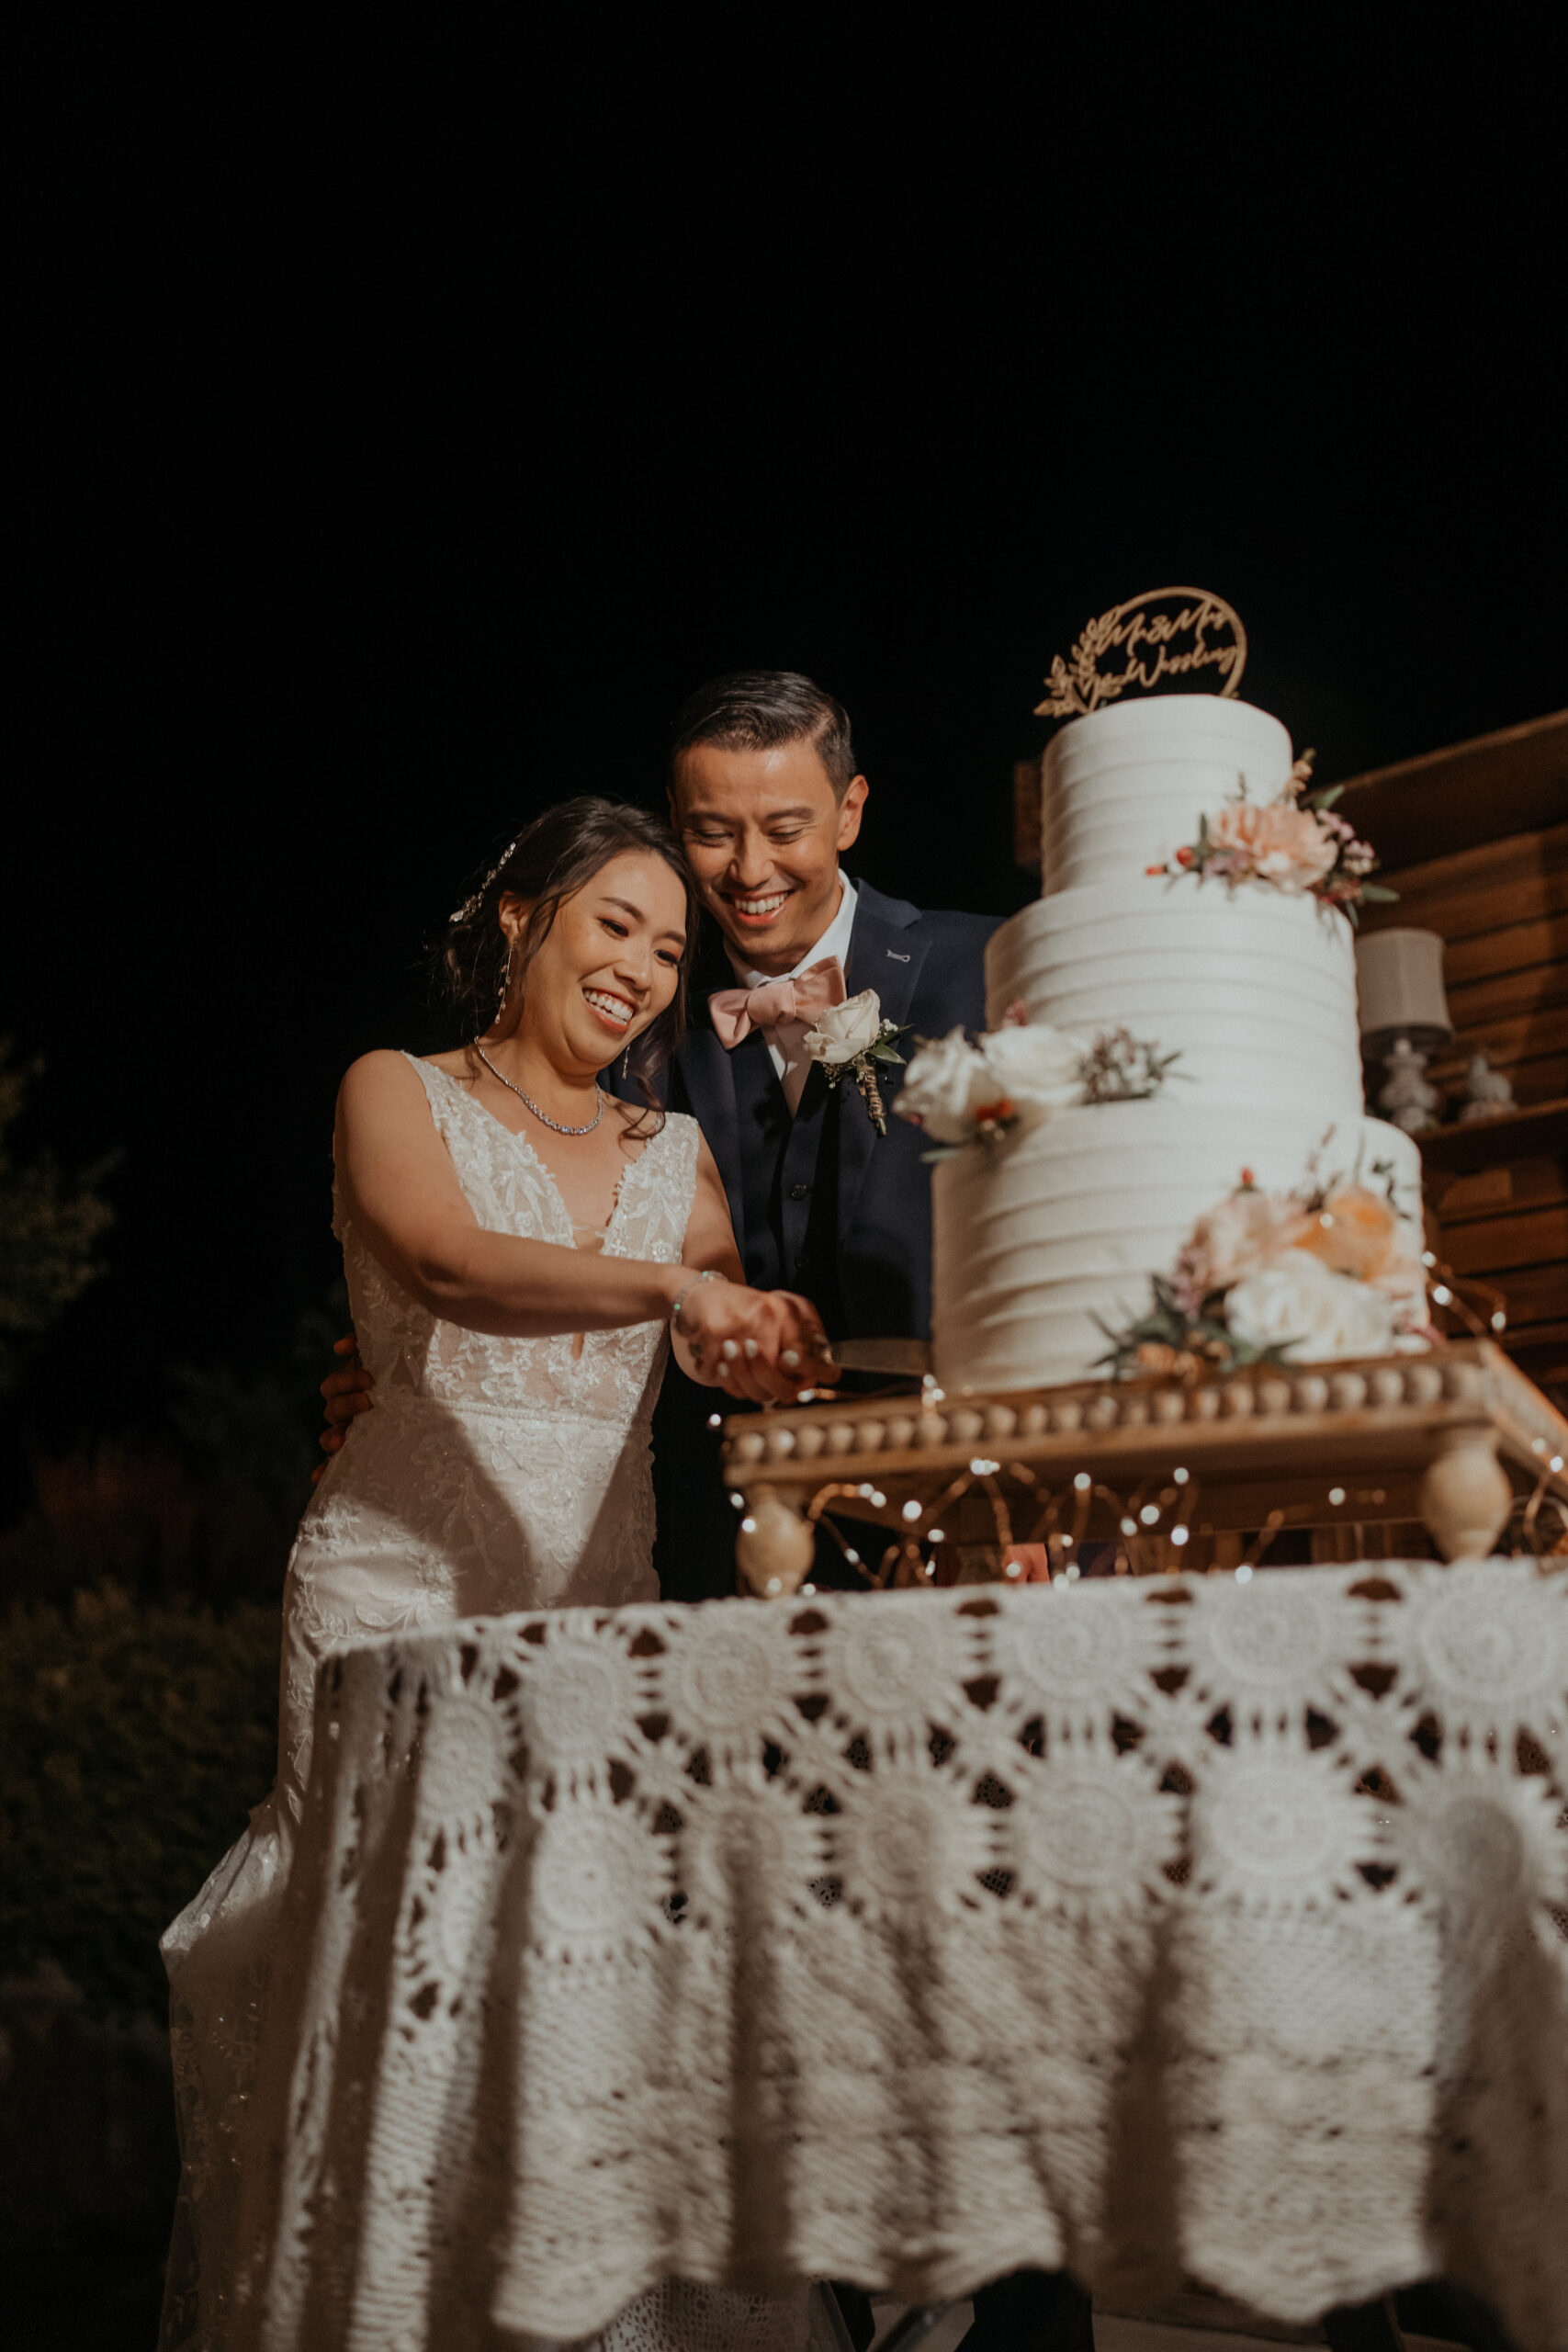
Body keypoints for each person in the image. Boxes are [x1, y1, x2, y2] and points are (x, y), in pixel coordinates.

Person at [322, 679, 1098, 2352]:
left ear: (856, 809)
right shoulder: (645, 1017)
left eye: (782, 826)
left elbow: (1063, 1222)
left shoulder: (980, 963)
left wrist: (1041, 1478)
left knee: (980, 1948)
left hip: (949, 1529)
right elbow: (491, 1200)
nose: (740, 872)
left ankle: (1026, 2326)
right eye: (707, 833)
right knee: (754, 1977)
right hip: (709, 1561)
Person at [158, 797, 837, 2352]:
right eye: (617, 926)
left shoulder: (679, 1155)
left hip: (597, 1610)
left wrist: (777, 1339)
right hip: (388, 1592)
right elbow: (446, 1261)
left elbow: (737, 1343)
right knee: (409, 1977)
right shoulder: (392, 1088)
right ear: (521, 917)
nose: (647, 970)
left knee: (587, 1989)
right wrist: (676, 1287)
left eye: (672, 950)